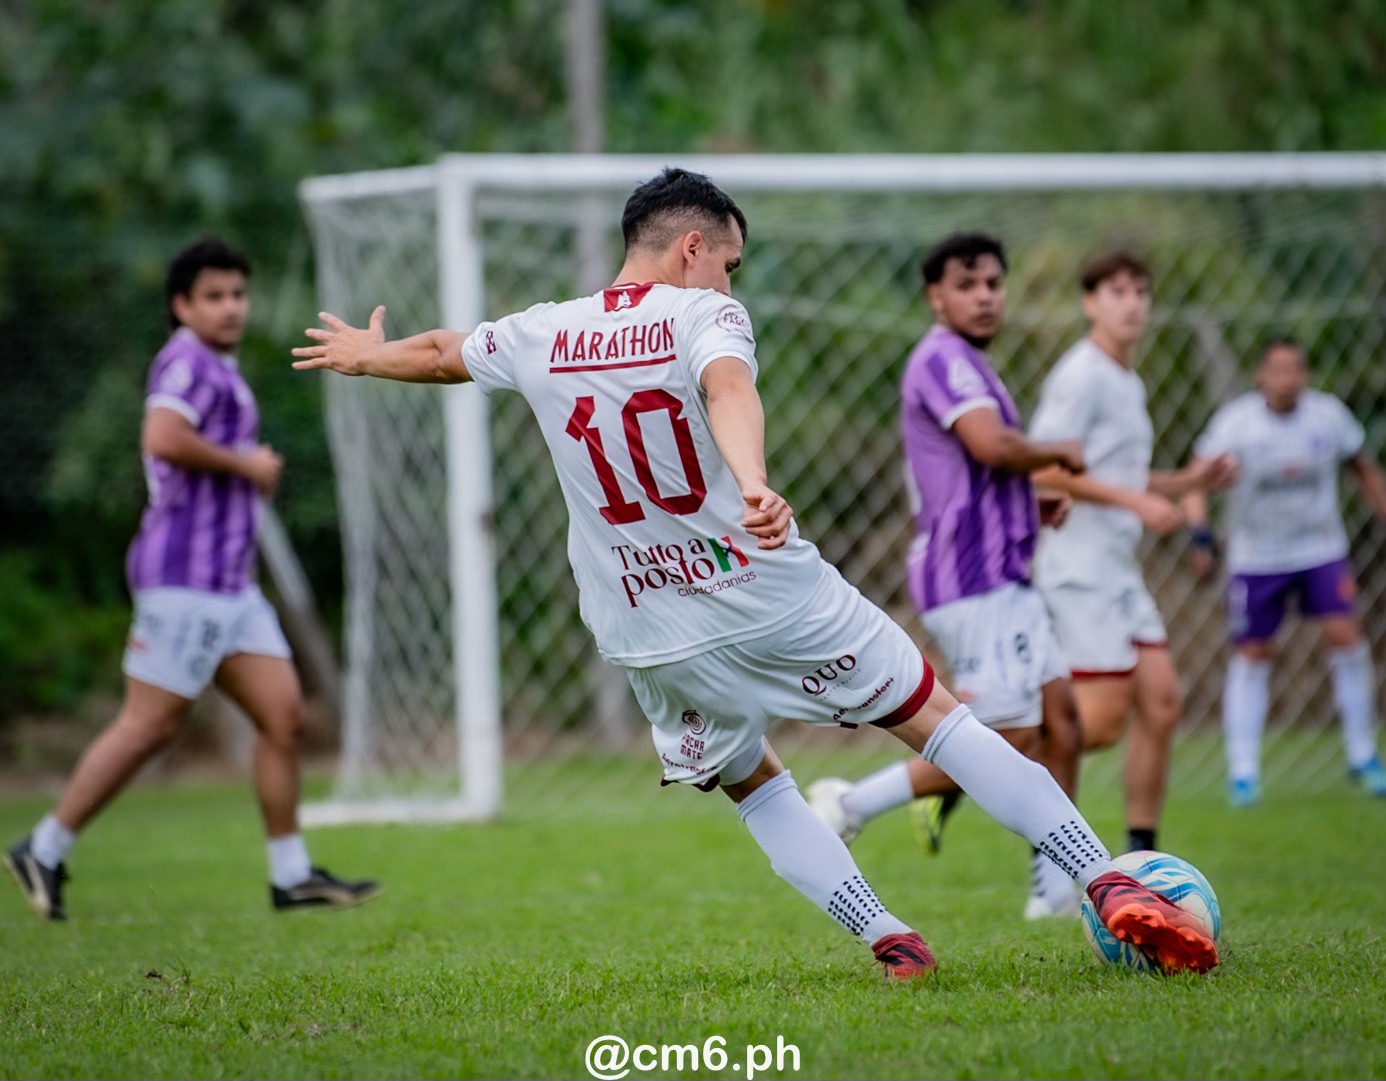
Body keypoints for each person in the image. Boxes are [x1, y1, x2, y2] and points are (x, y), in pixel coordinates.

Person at [291, 168, 1217, 977]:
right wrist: (754, 483)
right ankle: (1105, 877)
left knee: (757, 783)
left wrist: (371, 356)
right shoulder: (705, 311)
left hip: (642, 620)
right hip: (762, 584)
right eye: (728, 261)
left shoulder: (545, 330)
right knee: (940, 720)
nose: (730, 278)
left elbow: (448, 350)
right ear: (693, 247)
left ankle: (886, 933)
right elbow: (730, 387)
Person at [4, 238, 380, 922]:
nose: (231, 306)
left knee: (283, 715)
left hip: (229, 584)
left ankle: (291, 873)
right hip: (184, 576)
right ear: (181, 305)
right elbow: (162, 438)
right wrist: (246, 466)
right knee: (150, 725)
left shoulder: (221, 369)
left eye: (238, 293)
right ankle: (45, 846)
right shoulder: (186, 361)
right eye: (214, 295)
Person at [806, 232, 1090, 920]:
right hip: (972, 576)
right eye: (967, 284)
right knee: (1011, 735)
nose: (985, 295)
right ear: (936, 296)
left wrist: (1030, 499)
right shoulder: (942, 358)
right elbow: (989, 446)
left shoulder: (970, 364)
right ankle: (849, 803)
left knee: (1065, 722)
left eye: (994, 282)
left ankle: (1053, 892)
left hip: (1005, 571)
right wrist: (1059, 453)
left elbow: (980, 468)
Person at [1026, 250, 1236, 856]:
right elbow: (1044, 472)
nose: (1132, 301)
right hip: (1077, 566)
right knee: (1097, 726)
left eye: (1140, 290)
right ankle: (977, 762)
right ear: (1090, 303)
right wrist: (1135, 503)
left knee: (1162, 703)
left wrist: (1191, 482)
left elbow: (1124, 478)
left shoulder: (1127, 380)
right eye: (1116, 290)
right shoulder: (1082, 374)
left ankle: (1143, 856)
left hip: (1118, 569)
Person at [1182, 336, 1386, 805]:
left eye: (1295, 369)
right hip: (1257, 557)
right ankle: (1243, 774)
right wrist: (1200, 533)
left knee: (1347, 637)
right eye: (1277, 369)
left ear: (1305, 375)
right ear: (1261, 375)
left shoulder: (1328, 416)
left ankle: (1362, 755)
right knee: (1252, 653)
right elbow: (1195, 480)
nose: (1286, 378)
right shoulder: (1237, 424)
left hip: (1319, 550)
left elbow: (1363, 467)